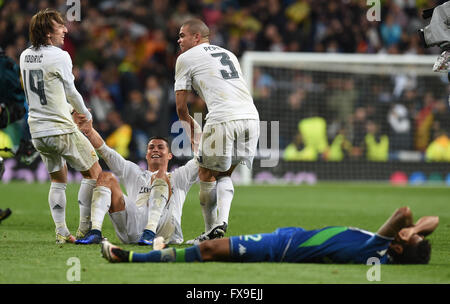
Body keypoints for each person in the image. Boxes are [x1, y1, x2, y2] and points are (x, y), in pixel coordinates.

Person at [101, 206, 438, 265]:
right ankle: (140, 253)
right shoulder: (387, 250)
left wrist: (410, 228)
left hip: (283, 247)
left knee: (208, 250)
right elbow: (431, 219)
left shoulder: (375, 248)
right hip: (289, 239)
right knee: (208, 249)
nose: (410, 230)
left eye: (408, 237)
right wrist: (417, 235)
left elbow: (405, 212)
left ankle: (130, 256)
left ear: (396, 244)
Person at [19, 9, 102, 244]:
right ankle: (86, 229)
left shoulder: (24, 56)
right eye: (60, 26)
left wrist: (66, 109)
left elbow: (42, 93)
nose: (65, 30)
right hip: (61, 129)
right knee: (95, 174)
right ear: (47, 33)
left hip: (38, 130)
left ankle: (61, 231)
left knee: (58, 179)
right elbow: (71, 92)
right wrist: (85, 114)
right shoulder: (60, 56)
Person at [174, 19, 260, 243]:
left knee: (205, 173)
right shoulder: (229, 53)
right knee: (224, 175)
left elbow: (181, 107)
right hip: (251, 117)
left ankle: (211, 231)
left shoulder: (184, 58)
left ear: (197, 37)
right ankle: (219, 225)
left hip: (223, 117)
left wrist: (192, 134)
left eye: (183, 35)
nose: (179, 40)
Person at [73, 111, 203, 246]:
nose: (155, 150)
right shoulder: (134, 172)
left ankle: (150, 231)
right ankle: (95, 232)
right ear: (146, 155)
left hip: (165, 233)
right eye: (151, 147)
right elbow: (105, 151)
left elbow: (199, 159)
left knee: (161, 176)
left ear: (170, 155)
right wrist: (89, 130)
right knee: (105, 177)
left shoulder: (180, 176)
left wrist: (198, 133)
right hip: (133, 230)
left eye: (160, 147)